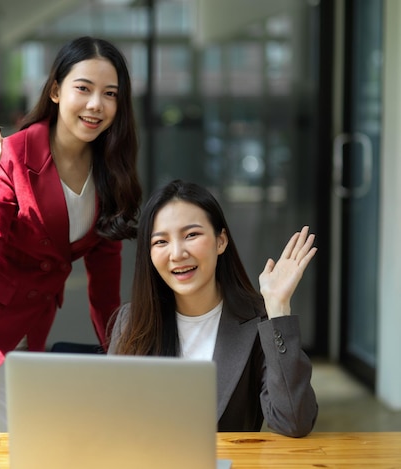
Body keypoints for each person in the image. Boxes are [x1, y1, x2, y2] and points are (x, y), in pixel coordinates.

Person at [0, 36, 142, 433]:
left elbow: (104, 291)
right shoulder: (13, 155)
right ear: (55, 90)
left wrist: (120, 361)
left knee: (26, 454)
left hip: (18, 346)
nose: (95, 105)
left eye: (109, 94)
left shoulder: (111, 176)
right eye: (83, 89)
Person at [108, 180, 318, 438]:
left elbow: (294, 422)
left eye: (191, 235)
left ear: (221, 241)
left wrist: (277, 307)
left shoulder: (259, 321)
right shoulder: (132, 321)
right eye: (160, 241)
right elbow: (112, 422)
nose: (177, 253)